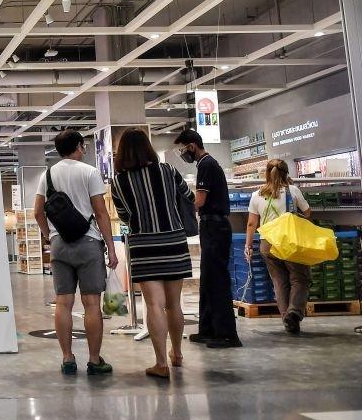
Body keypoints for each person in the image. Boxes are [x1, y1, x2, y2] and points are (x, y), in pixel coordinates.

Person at [111, 128, 195, 379]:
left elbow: (125, 216)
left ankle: (160, 364)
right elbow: (188, 196)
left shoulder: (119, 181)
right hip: (174, 240)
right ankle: (177, 354)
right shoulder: (168, 171)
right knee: (174, 304)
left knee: (154, 305)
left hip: (144, 245)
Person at [34, 129, 118, 376]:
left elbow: (38, 212)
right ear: (79, 146)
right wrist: (111, 247)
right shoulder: (89, 172)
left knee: (63, 302)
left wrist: (49, 235)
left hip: (59, 244)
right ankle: (94, 360)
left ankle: (67, 358)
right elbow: (101, 213)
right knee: (92, 303)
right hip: (88, 242)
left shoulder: (47, 175)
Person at [174, 128, 241, 348]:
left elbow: (199, 201)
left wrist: (180, 208)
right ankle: (209, 329)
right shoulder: (206, 164)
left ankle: (227, 334)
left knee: (218, 280)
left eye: (183, 148)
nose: (183, 152)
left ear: (192, 145)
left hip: (215, 225)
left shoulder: (206, 165)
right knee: (209, 280)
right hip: (212, 225)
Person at [244, 159, 312, 334]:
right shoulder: (292, 190)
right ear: (286, 173)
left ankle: (287, 319)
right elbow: (307, 212)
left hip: (268, 244)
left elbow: (252, 223)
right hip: (289, 242)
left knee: (279, 282)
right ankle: (294, 312)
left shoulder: (256, 194)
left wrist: (248, 245)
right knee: (299, 278)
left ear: (267, 173)